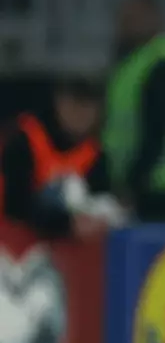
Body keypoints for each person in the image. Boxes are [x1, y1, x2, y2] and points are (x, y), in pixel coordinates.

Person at [104, 0, 165, 223]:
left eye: (132, 17)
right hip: (143, 180)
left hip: (156, 183)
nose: (124, 24)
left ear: (155, 18)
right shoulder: (135, 62)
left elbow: (157, 128)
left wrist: (133, 182)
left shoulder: (162, 63)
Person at [0, 76, 121, 240]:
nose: (80, 114)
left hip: (65, 252)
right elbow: (14, 206)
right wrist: (66, 225)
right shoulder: (25, 140)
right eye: (74, 105)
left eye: (88, 107)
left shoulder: (95, 155)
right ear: (59, 103)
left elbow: (101, 202)